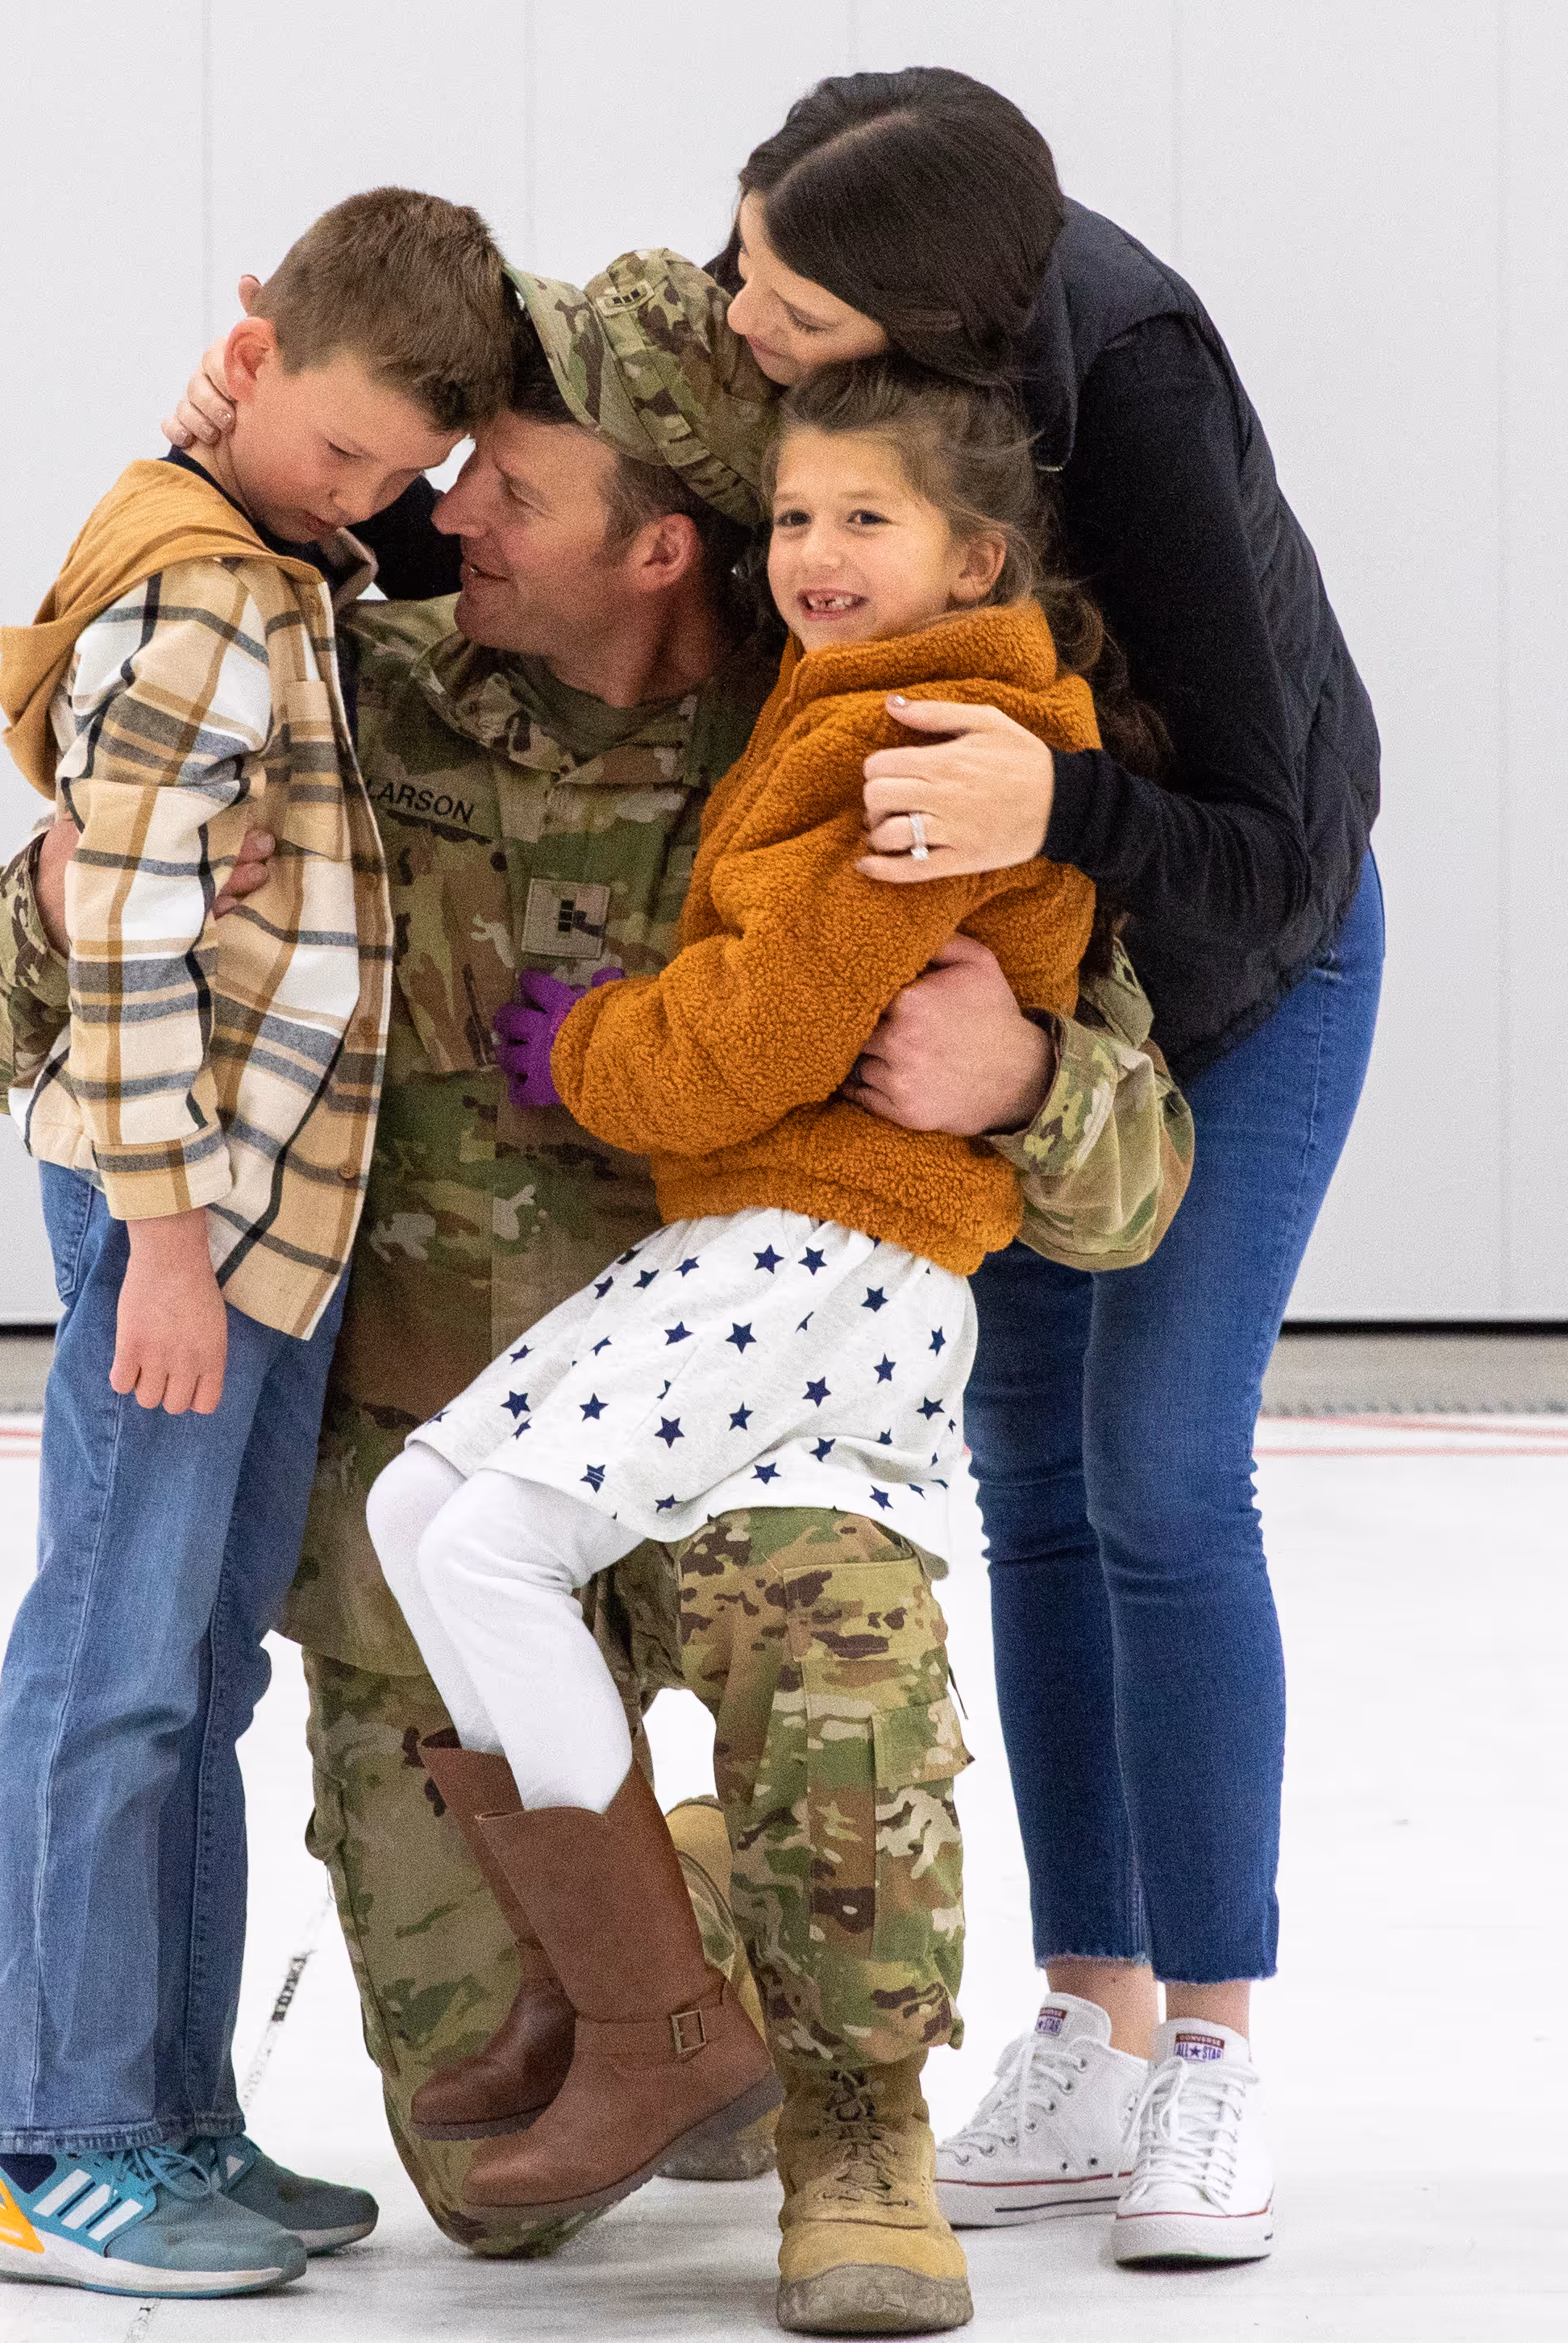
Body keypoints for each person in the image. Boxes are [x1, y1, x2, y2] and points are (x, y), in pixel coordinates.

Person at [0, 249, 1188, 2335]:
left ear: (662, 543)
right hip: (435, 1511)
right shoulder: (352, 700)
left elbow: (1133, 1174)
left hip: (732, 1440)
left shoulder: (859, 740)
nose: (449, 518)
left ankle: (819, 2055)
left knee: (841, 1645)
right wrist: (67, 892)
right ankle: (678, 1961)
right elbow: (19, 1032)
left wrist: (1032, 1083)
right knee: (494, 2188)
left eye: (508, 488)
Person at [712, 70, 1386, 2270]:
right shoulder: (831, 348)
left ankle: (1210, 2055)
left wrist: (1056, 831)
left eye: (777, 298)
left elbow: (1273, 842)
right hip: (1012, 989)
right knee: (1032, 1477)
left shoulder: (1139, 387)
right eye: (743, 261)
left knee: (1164, 1475)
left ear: (919, 313)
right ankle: (1083, 2016)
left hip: (1234, 969)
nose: (739, 324)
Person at [364, 355, 1120, 2264]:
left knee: (506, 1558)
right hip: (727, 1253)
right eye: (798, 517)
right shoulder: (816, 704)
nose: (815, 553)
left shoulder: (928, 744)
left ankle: (707, 2051)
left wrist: (608, 1051)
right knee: (409, 1519)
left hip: (822, 1246)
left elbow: (769, 1026)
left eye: (863, 518)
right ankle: (608, 1973)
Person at [0, 185, 509, 2303]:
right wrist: (163, 1249)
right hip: (177, 1223)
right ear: (250, 344)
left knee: (191, 1670)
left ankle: (170, 2112)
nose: (359, 495)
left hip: (272, 1225)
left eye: (398, 476)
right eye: (340, 448)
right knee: (109, 1670)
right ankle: (56, 2139)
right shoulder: (197, 601)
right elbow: (125, 940)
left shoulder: (287, 559)